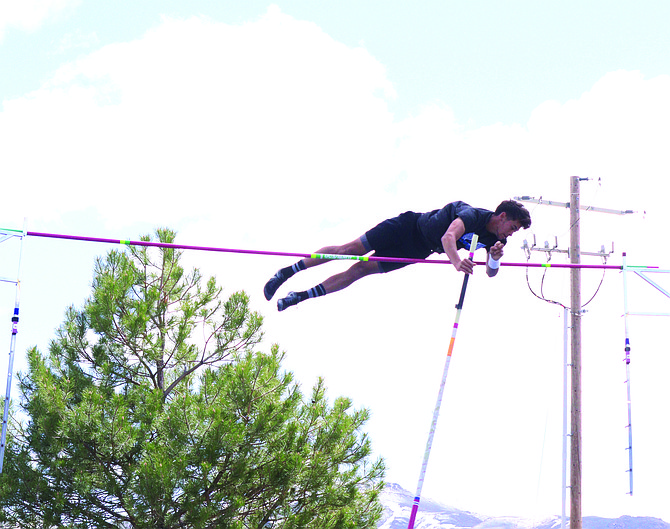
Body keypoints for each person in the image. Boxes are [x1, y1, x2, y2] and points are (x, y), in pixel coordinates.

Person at [264, 200, 531, 311]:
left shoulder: (494, 239)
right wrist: (456, 261)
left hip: (416, 250)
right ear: (503, 216)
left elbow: (491, 272)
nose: (511, 233)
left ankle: (299, 297)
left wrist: (494, 257)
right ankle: (286, 272)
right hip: (405, 228)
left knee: (359, 271)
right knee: (350, 252)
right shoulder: (472, 215)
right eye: (513, 227)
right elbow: (448, 238)